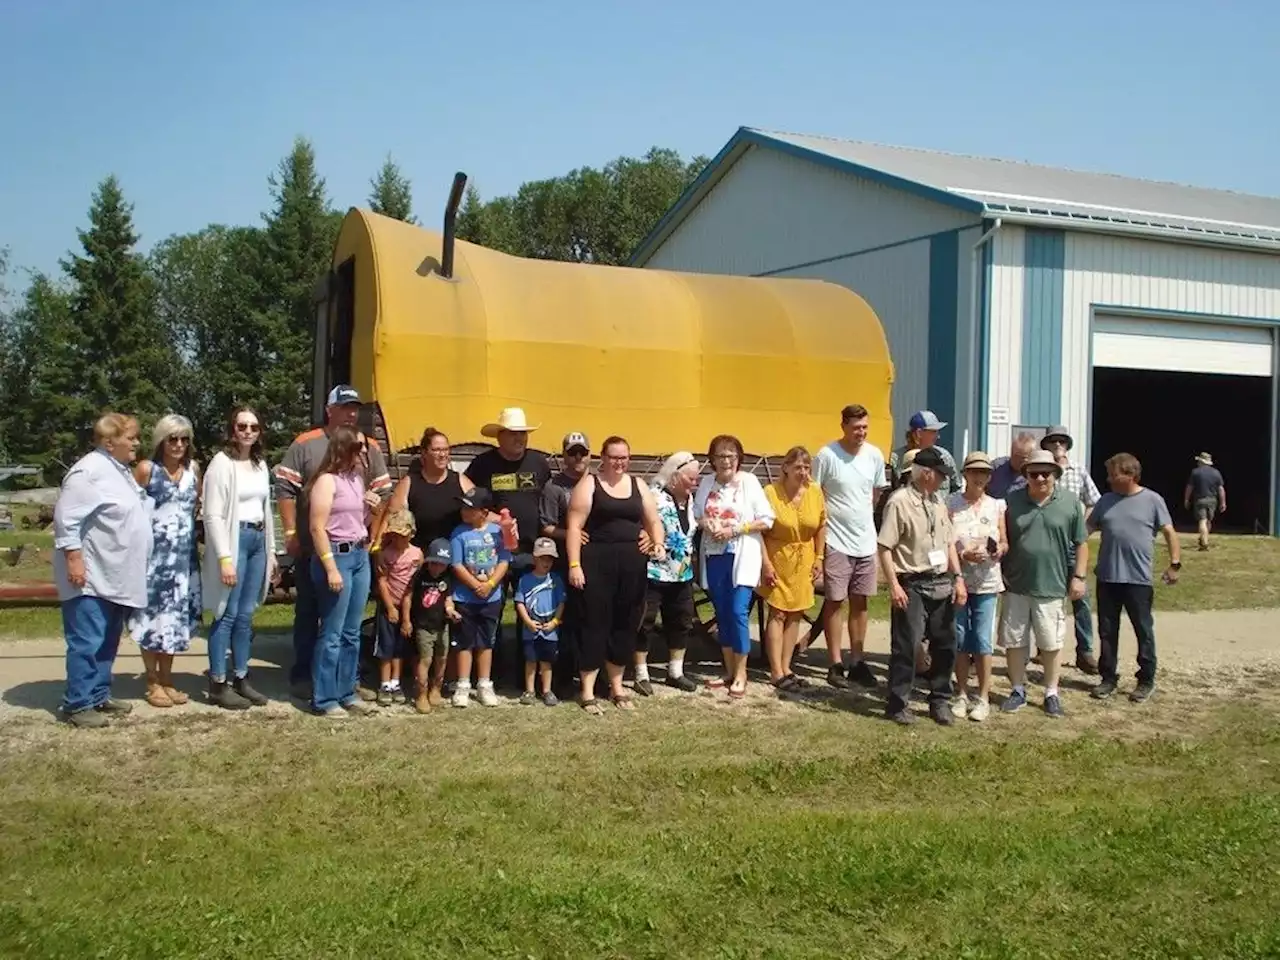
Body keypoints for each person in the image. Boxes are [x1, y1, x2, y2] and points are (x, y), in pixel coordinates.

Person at [276, 385, 392, 701]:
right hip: (314, 545)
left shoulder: (368, 447)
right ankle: (304, 678)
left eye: (355, 408)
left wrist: (374, 534)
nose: (352, 413)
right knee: (310, 614)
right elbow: (285, 489)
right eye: (345, 407)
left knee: (346, 626)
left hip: (354, 545)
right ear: (330, 411)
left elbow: (383, 493)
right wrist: (290, 534)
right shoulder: (306, 443)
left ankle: (346, 683)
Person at [53, 413, 152, 728]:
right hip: (91, 577)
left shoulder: (117, 471)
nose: (137, 443)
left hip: (114, 573)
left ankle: (98, 694)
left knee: (108, 639)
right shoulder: (89, 472)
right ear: (110, 442)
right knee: (87, 640)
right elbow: (66, 518)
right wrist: (74, 559)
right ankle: (78, 704)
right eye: (131, 437)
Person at [566, 436, 666, 713]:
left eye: (624, 457)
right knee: (594, 622)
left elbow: (653, 520)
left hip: (632, 566)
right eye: (613, 457)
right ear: (603, 458)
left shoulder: (638, 485)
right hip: (597, 562)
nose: (619, 462)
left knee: (625, 623)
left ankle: (617, 686)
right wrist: (575, 565)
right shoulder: (589, 484)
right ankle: (587, 690)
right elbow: (574, 526)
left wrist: (656, 541)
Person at [877, 448, 966, 725]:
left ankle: (940, 701)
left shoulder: (939, 502)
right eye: (940, 475)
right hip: (912, 584)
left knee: (945, 646)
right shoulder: (899, 502)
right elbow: (885, 547)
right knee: (906, 646)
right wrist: (894, 585)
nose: (943, 480)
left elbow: (949, 543)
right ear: (927, 473)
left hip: (941, 582)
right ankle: (898, 704)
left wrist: (959, 578)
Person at [465, 407, 553, 679]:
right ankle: (491, 672)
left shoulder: (539, 464)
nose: (520, 439)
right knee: (491, 610)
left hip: (531, 550)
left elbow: (549, 501)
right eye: (514, 435)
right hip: (492, 551)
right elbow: (468, 501)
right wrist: (492, 518)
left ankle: (525, 671)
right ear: (500, 436)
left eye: (524, 434)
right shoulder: (482, 465)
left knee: (531, 608)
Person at [1000, 450, 1089, 718]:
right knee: (1014, 640)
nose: (1039, 478)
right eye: (1033, 473)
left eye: (1045, 473)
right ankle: (1017, 690)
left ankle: (1051, 692)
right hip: (1015, 583)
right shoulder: (1011, 501)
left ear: (1056, 475)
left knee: (1050, 642)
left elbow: (1081, 543)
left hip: (1052, 583)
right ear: (1025, 475)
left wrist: (1080, 576)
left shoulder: (1071, 503)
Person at [202, 405, 277, 710]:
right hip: (234, 541)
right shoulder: (221, 464)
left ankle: (242, 677)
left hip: (258, 539)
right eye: (242, 426)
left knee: (246, 615)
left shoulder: (260, 465)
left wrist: (271, 552)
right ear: (232, 429)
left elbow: (266, 510)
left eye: (253, 427)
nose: (247, 432)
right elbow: (212, 515)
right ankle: (218, 682)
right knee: (227, 613)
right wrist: (224, 558)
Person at [1090, 453, 1181, 704]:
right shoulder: (1105, 501)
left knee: (1143, 630)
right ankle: (1108, 678)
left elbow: (1169, 533)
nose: (1108, 479)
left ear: (1130, 475)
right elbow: (1087, 529)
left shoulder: (1152, 500)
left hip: (1138, 580)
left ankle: (1146, 679)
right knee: (1107, 631)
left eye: (1113, 474)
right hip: (1107, 577)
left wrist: (1175, 564)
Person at [693, 434, 775, 700]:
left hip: (742, 554)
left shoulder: (749, 483)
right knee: (722, 611)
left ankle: (742, 673)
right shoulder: (707, 482)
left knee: (738, 611)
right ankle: (728, 670)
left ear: (738, 458)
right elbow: (697, 514)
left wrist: (736, 529)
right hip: (714, 554)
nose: (725, 460)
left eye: (730, 455)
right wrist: (709, 524)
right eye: (720, 455)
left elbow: (767, 519)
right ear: (712, 460)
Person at [812, 404, 888, 690]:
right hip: (836, 539)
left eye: (865, 428)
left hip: (865, 540)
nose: (861, 433)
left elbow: (876, 491)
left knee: (861, 601)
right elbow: (815, 495)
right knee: (834, 600)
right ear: (843, 425)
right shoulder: (827, 455)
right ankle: (835, 663)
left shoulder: (874, 455)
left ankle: (857, 660)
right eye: (856, 428)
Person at [129, 414, 202, 709]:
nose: (179, 444)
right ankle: (152, 681)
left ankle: (168, 678)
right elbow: (131, 514)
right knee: (151, 620)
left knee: (173, 621)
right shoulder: (147, 470)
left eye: (185, 439)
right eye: (173, 438)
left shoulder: (193, 470)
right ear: (161, 440)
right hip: (154, 559)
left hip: (183, 559)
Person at [307, 425, 378, 718]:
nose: (364, 451)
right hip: (337, 555)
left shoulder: (357, 479)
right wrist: (330, 567)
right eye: (358, 446)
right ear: (344, 448)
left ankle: (346, 691)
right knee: (333, 632)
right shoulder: (327, 481)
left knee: (352, 632)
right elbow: (316, 527)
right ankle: (324, 698)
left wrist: (371, 509)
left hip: (360, 554)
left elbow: (356, 520)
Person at [758, 446, 826, 692]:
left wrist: (819, 557)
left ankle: (787, 667)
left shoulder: (815, 491)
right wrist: (765, 563)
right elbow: (760, 532)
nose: (803, 472)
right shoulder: (770, 493)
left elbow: (820, 525)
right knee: (777, 612)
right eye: (798, 467)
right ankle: (775, 670)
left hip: (804, 557)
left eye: (806, 467)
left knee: (796, 612)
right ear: (785, 468)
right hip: (777, 556)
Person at [947, 451, 1007, 722]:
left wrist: (996, 552)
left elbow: (1004, 542)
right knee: (960, 638)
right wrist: (963, 555)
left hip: (987, 582)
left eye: (984, 472)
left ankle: (982, 697)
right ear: (965, 474)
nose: (979, 477)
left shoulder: (997, 506)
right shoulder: (951, 504)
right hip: (959, 581)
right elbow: (945, 542)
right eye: (974, 472)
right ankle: (960, 693)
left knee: (982, 640)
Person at [637, 451, 702, 695]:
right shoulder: (654, 497)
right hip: (655, 571)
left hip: (682, 573)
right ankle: (642, 673)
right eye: (691, 479)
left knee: (682, 621)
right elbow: (641, 524)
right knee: (645, 621)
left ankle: (676, 671)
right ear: (675, 477)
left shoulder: (690, 500)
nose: (694, 483)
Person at [1040, 425, 1102, 674]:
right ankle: (1042, 649)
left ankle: (1085, 651)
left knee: (1081, 599)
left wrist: (1083, 530)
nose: (1057, 446)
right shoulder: (1039, 471)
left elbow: (1095, 501)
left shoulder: (1079, 471)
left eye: (1061, 442)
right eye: (1052, 442)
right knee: (1044, 599)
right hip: (1046, 544)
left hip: (1072, 545)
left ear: (1067, 445)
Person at [449, 488, 511, 708]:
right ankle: (463, 684)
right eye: (463, 507)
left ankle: (485, 684)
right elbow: (456, 564)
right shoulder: (458, 533)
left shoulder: (497, 532)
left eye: (469, 508)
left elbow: (504, 560)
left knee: (486, 642)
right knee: (464, 642)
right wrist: (475, 585)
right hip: (465, 597)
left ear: (484, 512)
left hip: (490, 598)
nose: (464, 511)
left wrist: (491, 584)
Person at [540, 431, 592, 686]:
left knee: (591, 617)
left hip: (595, 560)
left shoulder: (598, 482)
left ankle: (591, 670)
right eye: (572, 453)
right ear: (564, 456)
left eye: (582, 452)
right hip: (563, 562)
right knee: (565, 617)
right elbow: (546, 526)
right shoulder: (554, 487)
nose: (578, 457)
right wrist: (571, 533)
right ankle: (562, 675)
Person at [386, 426, 475, 554]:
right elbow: (392, 518)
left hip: (454, 556)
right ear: (424, 453)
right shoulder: (409, 483)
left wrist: (503, 521)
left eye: (445, 449)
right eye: (436, 450)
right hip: (419, 557)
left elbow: (481, 511)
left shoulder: (460, 480)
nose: (442, 455)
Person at [373, 508, 424, 706]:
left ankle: (396, 682)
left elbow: (414, 585)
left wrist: (406, 615)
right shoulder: (385, 554)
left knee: (400, 648)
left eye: (401, 535)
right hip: (389, 607)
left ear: (411, 534)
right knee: (385, 648)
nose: (397, 539)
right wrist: (390, 607)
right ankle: (384, 684)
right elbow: (382, 581)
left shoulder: (416, 554)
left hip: (407, 607)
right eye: (393, 535)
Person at [514, 537, 567, 706]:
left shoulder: (556, 580)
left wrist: (556, 621)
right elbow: (519, 602)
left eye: (550, 559)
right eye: (543, 558)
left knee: (547, 661)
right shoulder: (525, 579)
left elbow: (561, 602)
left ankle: (547, 690)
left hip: (549, 627)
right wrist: (527, 621)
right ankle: (529, 690)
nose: (546, 563)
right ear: (534, 558)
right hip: (531, 626)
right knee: (530, 660)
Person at [410, 538, 459, 713]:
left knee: (442, 658)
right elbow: (408, 597)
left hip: (442, 626)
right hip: (424, 626)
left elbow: (447, 599)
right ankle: (421, 694)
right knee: (425, 660)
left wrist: (451, 610)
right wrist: (406, 620)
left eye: (442, 565)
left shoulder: (447, 577)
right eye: (434, 564)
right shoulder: (420, 576)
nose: (437, 568)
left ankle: (436, 688)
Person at [889, 410, 959, 495]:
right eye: (933, 432)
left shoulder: (944, 457)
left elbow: (956, 489)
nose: (938, 436)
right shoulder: (895, 459)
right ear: (919, 433)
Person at [1183, 452, 1226, 551]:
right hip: (1212, 500)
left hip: (1200, 499)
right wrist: (1223, 502)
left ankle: (1204, 542)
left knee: (1202, 521)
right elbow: (1221, 489)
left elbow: (1189, 487)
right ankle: (1204, 538)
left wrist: (1186, 499)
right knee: (1208, 521)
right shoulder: (1216, 473)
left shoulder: (1195, 472)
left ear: (1201, 462)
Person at [987, 431, 1038, 500]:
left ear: (1031, 457)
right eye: (1015, 455)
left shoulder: (1037, 475)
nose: (1017, 460)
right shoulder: (996, 467)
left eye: (1022, 458)